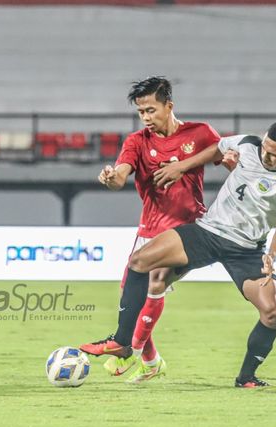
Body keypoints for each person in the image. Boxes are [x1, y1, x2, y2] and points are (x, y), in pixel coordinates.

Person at [81, 120, 276, 388]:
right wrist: (181, 166)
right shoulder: (248, 144)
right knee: (139, 261)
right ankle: (122, 342)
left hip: (246, 251)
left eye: (273, 154)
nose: (265, 155)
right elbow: (216, 149)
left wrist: (272, 253)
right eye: (265, 147)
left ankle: (246, 377)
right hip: (207, 233)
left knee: (272, 312)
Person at [97, 76, 229, 383]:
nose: (146, 117)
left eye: (151, 110)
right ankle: (151, 361)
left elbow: (227, 161)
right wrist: (109, 178)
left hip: (188, 229)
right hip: (149, 228)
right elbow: (120, 177)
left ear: (169, 106)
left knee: (155, 281)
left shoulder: (200, 133)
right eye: (141, 112)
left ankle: (129, 350)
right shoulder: (136, 142)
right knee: (132, 299)